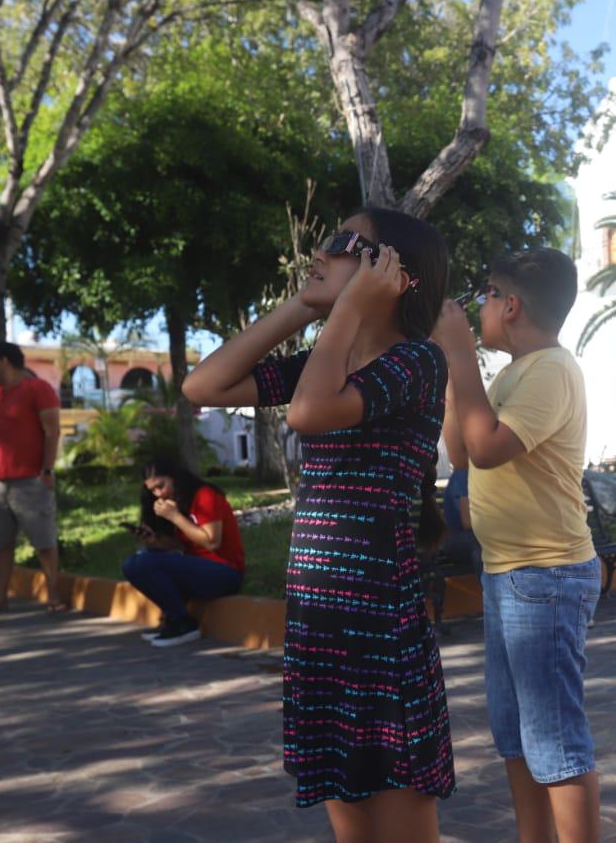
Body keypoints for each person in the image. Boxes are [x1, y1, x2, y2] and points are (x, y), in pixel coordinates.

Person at [182, 209, 454, 839]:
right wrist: (304, 306)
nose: (320, 252)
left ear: (394, 273)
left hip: (379, 625)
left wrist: (346, 307)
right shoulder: (325, 362)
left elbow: (307, 413)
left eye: (342, 244)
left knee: (399, 811)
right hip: (320, 623)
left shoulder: (418, 362)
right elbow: (202, 387)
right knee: (348, 814)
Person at [434, 248, 602, 843]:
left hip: (545, 575)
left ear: (510, 306)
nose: (477, 307)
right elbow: (461, 451)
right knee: (514, 734)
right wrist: (453, 368)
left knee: (554, 738)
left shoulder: (551, 370)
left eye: (486, 294)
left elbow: (487, 449)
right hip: (508, 573)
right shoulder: (511, 373)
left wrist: (461, 353)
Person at [0, 342, 67, 613]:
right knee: (1, 544)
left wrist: (47, 470)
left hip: (30, 479)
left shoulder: (38, 389)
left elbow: (52, 431)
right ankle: (0, 598)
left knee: (43, 541)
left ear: (4, 361)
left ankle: (54, 595)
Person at [121, 459, 245, 647]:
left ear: (174, 477)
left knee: (146, 562)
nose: (159, 494)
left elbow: (212, 541)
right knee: (132, 564)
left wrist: (175, 517)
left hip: (226, 572)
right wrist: (156, 542)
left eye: (161, 486)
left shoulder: (205, 496)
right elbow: (182, 546)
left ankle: (184, 624)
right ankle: (174, 617)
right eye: (153, 490)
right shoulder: (178, 503)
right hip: (199, 571)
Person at [439, 385, 481, 572]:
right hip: (457, 539)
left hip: (468, 536)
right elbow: (467, 521)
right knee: (483, 546)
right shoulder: (465, 472)